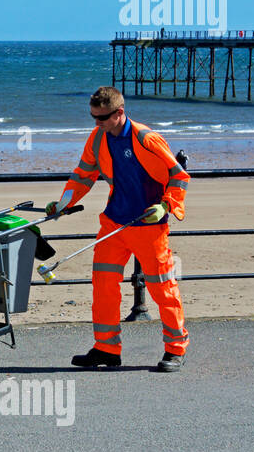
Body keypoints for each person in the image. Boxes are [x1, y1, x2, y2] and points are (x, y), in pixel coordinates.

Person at [46, 86, 192, 373]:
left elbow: (179, 175)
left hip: (149, 227)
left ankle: (176, 349)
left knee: (162, 288)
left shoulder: (146, 138)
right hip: (114, 223)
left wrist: (166, 206)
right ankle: (106, 349)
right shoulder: (97, 137)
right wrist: (63, 203)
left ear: (120, 113)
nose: (96, 124)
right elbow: (83, 175)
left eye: (101, 118)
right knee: (103, 286)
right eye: (93, 118)